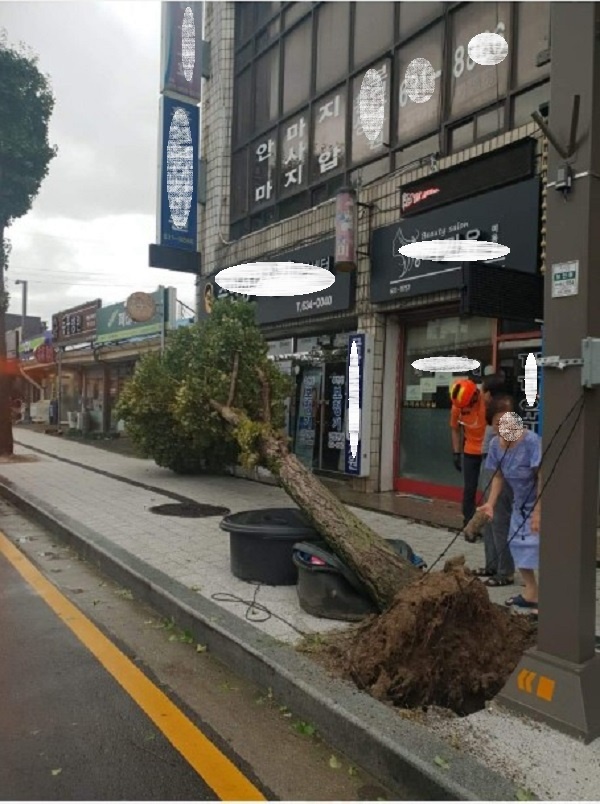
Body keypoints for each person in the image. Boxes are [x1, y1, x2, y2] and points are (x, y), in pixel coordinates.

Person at [477, 395, 542, 615]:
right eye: (496, 423)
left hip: (539, 500)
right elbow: (498, 476)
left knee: (538, 547)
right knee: (517, 545)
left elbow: (542, 476)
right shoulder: (496, 444)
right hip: (519, 502)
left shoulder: (531, 441)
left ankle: (547, 598)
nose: (501, 427)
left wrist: (539, 512)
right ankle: (531, 592)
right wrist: (491, 504)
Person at [472, 376, 516, 584]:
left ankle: (504, 571)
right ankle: (491, 565)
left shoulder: (507, 412)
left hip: (501, 473)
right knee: (488, 519)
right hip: (488, 468)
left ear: (490, 393)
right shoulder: (491, 413)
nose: (481, 394)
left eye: (483, 391)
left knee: (499, 520)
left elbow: (512, 447)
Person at [449, 378, 487, 532]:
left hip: (488, 451)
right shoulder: (458, 406)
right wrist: (456, 452)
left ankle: (487, 523)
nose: (466, 408)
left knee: (488, 488)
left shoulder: (487, 401)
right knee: (469, 488)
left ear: (475, 395)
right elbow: (455, 429)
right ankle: (468, 522)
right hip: (470, 451)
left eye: (468, 404)